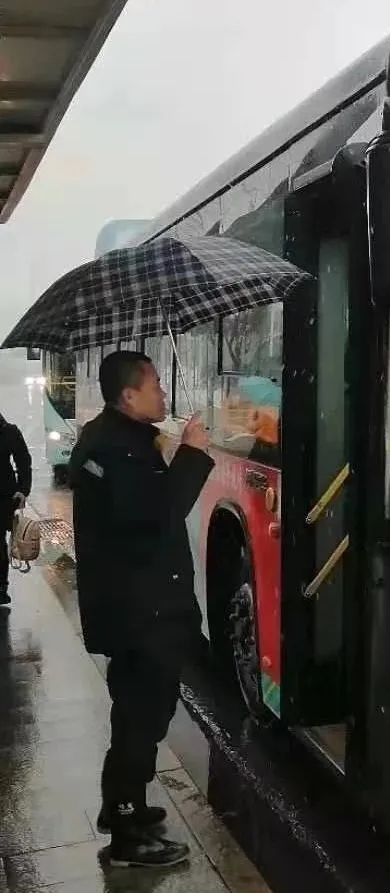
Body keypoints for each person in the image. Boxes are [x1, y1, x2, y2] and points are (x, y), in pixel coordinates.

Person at [68, 350, 214, 868]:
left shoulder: (118, 440)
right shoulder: (115, 449)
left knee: (137, 711)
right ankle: (128, 836)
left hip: (136, 606)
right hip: (140, 611)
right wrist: (192, 455)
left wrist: (163, 451)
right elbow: (157, 515)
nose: (163, 392)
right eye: (154, 385)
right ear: (128, 396)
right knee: (141, 716)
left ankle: (121, 805)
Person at [0, 411, 31, 609]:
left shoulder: (9, 431)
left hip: (3, 496)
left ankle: (1, 587)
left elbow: (23, 461)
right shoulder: (8, 431)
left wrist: (23, 490)